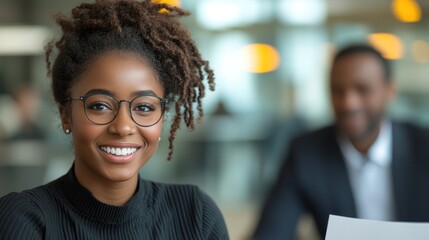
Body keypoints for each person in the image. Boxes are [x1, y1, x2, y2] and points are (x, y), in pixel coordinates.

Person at [0, 0, 229, 239]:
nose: (123, 127)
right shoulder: (24, 220)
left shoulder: (196, 217)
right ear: (65, 115)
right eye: (99, 106)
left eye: (143, 107)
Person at [252, 44, 429, 239]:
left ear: (389, 91)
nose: (348, 103)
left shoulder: (423, 146)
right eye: (337, 90)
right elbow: (272, 231)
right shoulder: (306, 152)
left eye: (362, 90)